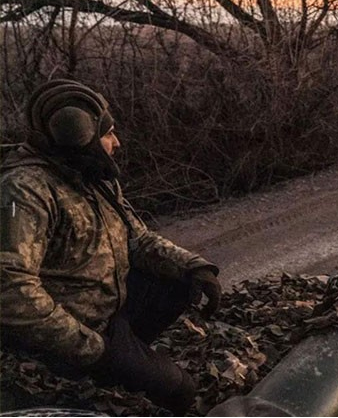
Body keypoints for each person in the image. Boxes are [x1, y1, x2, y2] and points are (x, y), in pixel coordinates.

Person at [0, 79, 222, 414]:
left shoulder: (90, 174)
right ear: (79, 135)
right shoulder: (25, 190)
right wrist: (93, 349)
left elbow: (139, 238)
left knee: (180, 283)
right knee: (182, 390)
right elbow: (11, 289)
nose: (116, 143)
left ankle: (124, 364)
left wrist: (194, 266)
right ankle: (107, 371)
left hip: (108, 314)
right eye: (109, 133)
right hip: (75, 334)